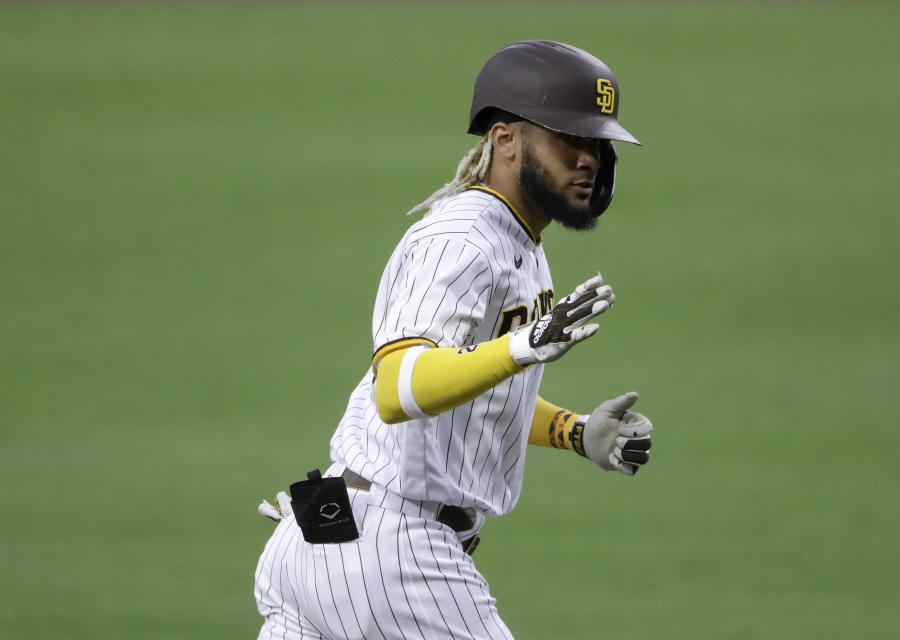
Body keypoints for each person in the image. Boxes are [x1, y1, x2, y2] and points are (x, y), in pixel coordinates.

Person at [254, 40, 654, 640]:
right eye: (568, 138)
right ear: (506, 140)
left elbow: (469, 392)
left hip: (330, 537)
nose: (590, 159)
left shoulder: (516, 243)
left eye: (598, 143)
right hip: (392, 553)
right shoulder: (462, 240)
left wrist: (574, 432)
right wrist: (523, 347)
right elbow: (399, 389)